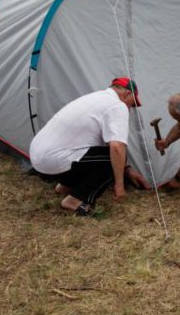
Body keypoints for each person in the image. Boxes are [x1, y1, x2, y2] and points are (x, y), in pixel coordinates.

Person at [30, 78, 150, 215]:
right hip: (53, 160)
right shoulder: (118, 105)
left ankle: (64, 186)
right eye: (132, 104)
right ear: (127, 94)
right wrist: (119, 185)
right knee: (113, 158)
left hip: (38, 156)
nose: (130, 109)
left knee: (96, 155)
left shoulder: (95, 97)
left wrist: (127, 169)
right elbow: (116, 148)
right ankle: (74, 201)